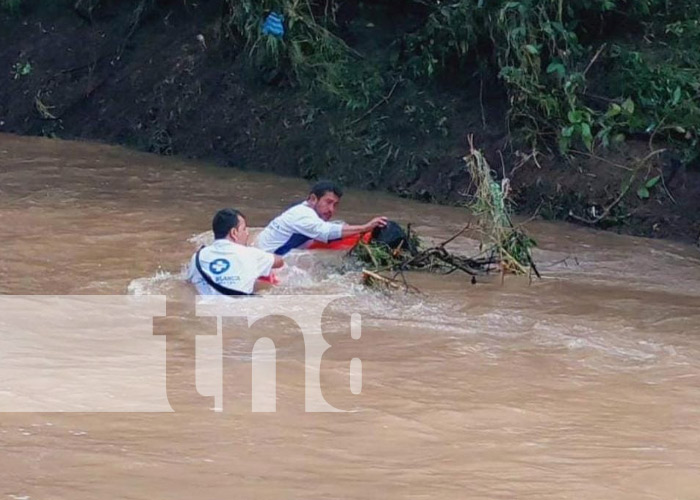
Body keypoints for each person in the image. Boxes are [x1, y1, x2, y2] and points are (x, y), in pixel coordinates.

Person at [255, 181, 388, 255]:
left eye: (335, 204)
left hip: (266, 250)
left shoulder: (301, 209)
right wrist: (365, 227)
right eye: (328, 202)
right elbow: (327, 232)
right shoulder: (302, 215)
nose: (331, 209)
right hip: (265, 260)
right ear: (313, 199)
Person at [188, 208, 284, 296]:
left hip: (204, 309)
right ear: (234, 233)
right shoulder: (252, 255)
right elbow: (279, 262)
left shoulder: (197, 257)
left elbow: (189, 283)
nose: (247, 233)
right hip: (239, 310)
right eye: (244, 229)